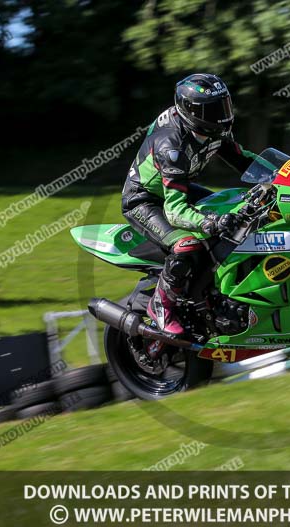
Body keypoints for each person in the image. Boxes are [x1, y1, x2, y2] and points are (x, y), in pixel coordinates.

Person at [121, 73, 256, 336]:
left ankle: (214, 293)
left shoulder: (212, 130)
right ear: (191, 111)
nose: (222, 116)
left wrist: (287, 174)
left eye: (224, 106)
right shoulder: (171, 146)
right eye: (213, 110)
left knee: (240, 208)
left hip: (177, 187)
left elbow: (244, 161)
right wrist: (210, 223)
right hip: (144, 201)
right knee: (187, 244)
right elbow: (175, 211)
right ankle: (161, 305)